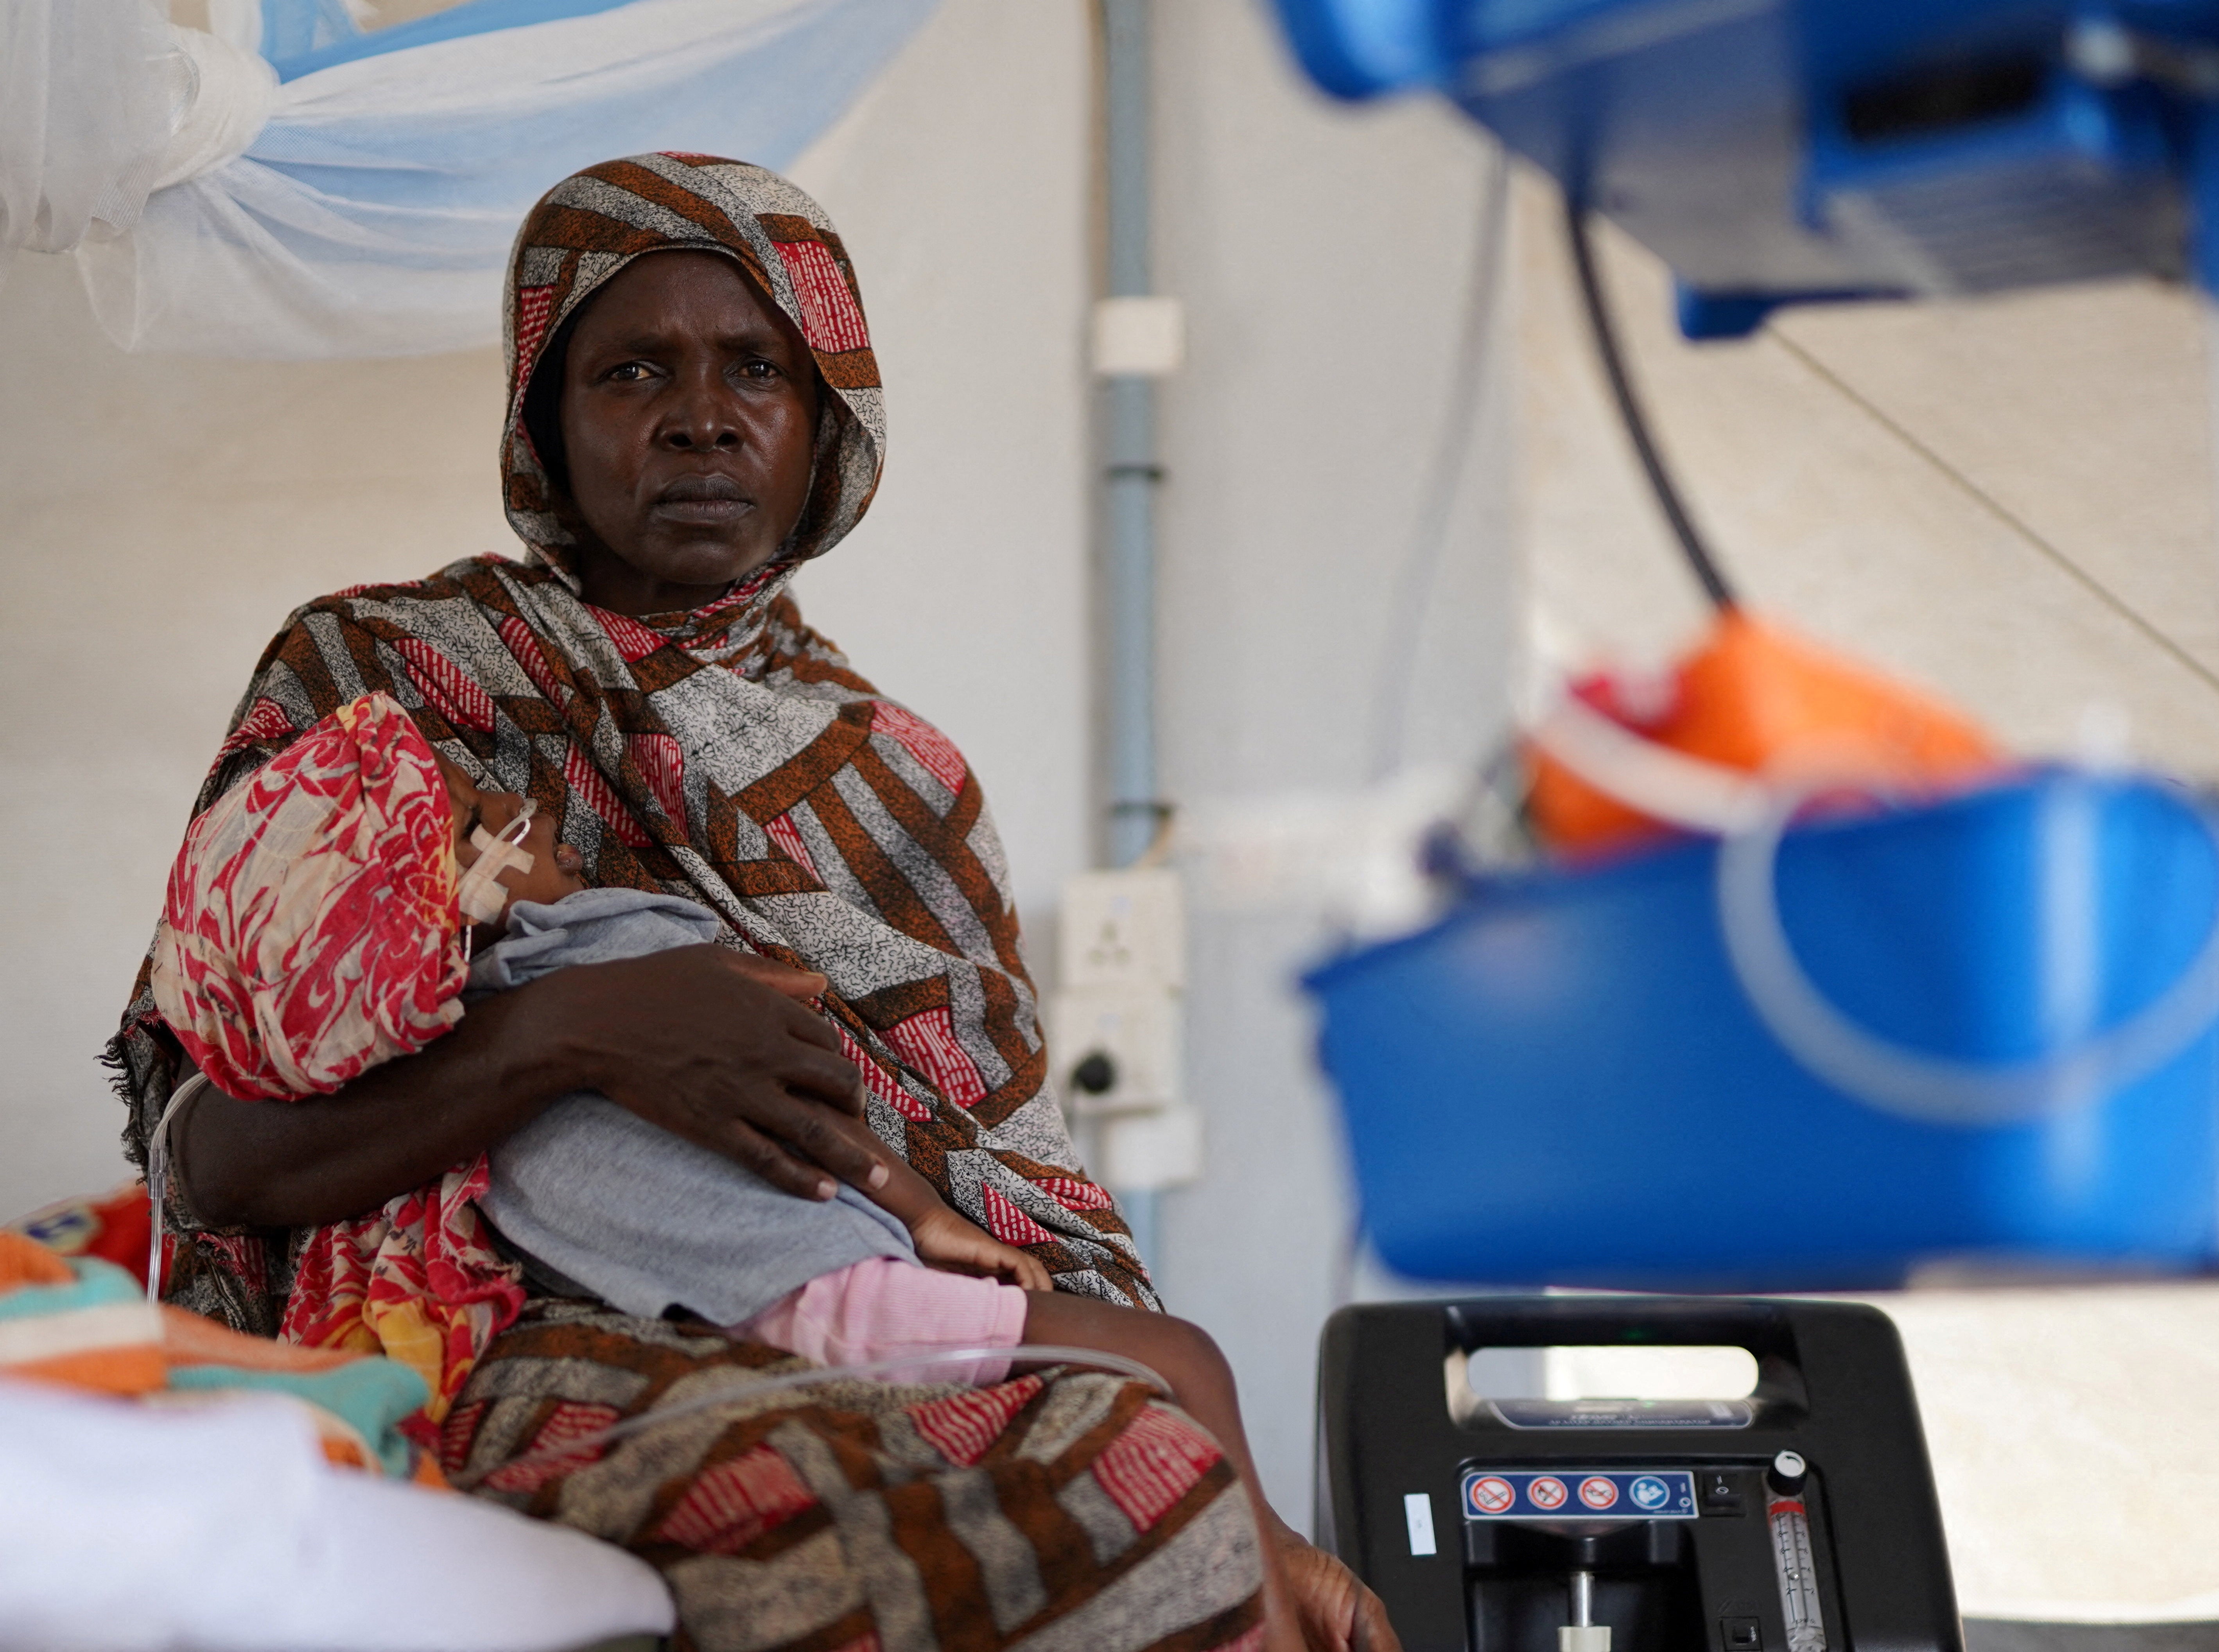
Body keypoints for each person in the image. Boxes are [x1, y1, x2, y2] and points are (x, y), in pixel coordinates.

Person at [110, 153, 1396, 1652]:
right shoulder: (381, 686)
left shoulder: (904, 786)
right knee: (786, 1499)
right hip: (495, 1335)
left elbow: (1020, 1211)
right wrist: (570, 1034)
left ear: (828, 417)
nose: (699, 415)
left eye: (757, 370)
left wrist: (1267, 1529)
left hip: (870, 1310)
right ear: (546, 419)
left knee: (1148, 1481)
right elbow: (216, 1155)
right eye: (631, 369)